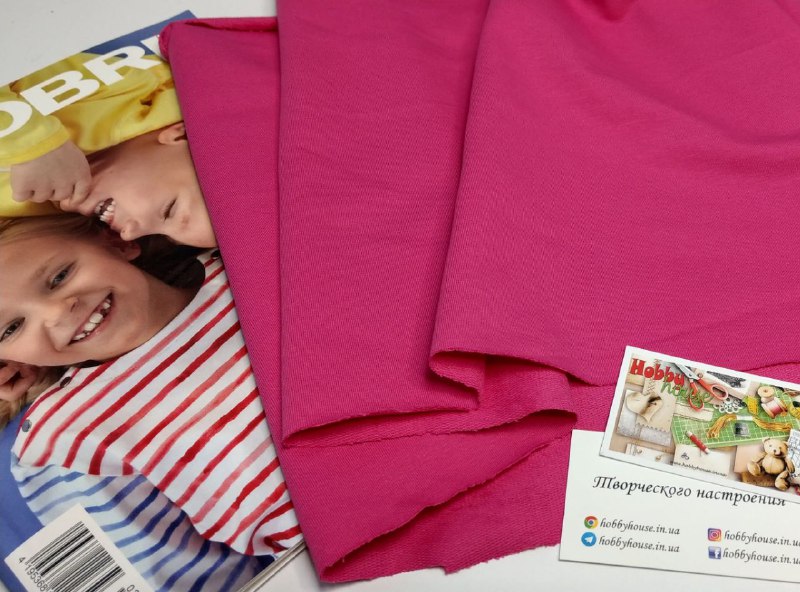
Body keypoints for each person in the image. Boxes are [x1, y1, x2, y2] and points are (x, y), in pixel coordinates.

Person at [0, 214, 300, 588]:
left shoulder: (259, 265)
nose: (58, 312)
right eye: (11, 328)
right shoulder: (63, 440)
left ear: (115, 241)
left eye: (60, 276)